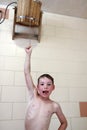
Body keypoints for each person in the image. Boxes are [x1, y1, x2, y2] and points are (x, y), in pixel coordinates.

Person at [24, 46, 67, 130]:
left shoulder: (54, 105)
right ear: (37, 87)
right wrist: (28, 55)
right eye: (42, 84)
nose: (45, 87)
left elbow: (64, 123)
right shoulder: (33, 95)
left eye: (49, 84)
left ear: (53, 87)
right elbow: (27, 73)